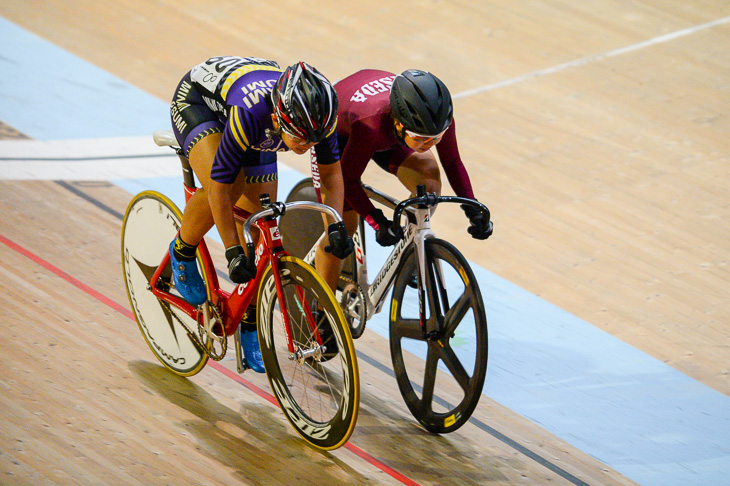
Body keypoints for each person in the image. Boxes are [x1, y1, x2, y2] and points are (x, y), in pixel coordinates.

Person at [167, 56, 350, 372]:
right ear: (280, 119)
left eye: (313, 140)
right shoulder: (251, 114)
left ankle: (249, 323)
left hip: (257, 121)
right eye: (300, 139)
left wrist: (333, 223)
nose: (307, 146)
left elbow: (331, 175)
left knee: (262, 223)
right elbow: (220, 189)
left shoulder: (322, 117)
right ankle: (182, 251)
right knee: (230, 181)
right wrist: (232, 251)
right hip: (200, 104)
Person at [314, 68, 492, 296]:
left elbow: (452, 162)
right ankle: (320, 317)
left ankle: (408, 252)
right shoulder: (370, 126)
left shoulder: (438, 120)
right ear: (398, 123)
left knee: (429, 181)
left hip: (386, 133)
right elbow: (348, 180)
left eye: (435, 139)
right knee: (340, 230)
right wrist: (378, 222)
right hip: (341, 133)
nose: (429, 144)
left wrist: (472, 207)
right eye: (420, 139)